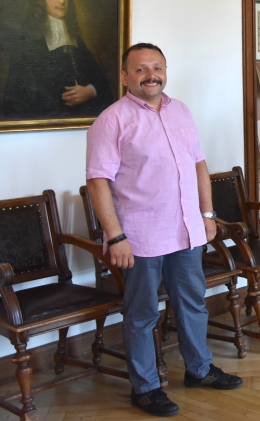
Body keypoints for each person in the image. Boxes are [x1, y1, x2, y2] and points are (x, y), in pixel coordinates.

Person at [86, 43, 242, 417]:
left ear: (166, 71)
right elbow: (97, 182)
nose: (150, 75)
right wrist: (116, 236)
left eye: (157, 67)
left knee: (192, 302)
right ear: (125, 76)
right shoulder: (112, 119)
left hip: (186, 229)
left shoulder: (181, 111)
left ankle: (199, 369)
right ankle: (145, 387)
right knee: (142, 313)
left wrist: (207, 214)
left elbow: (199, 166)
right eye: (140, 69)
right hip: (139, 236)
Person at [4, 0, 112, 118]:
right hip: (44, 123)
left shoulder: (75, 38)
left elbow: (100, 80)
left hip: (80, 120)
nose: (62, 0)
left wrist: (90, 91)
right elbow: (17, 95)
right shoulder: (26, 39)